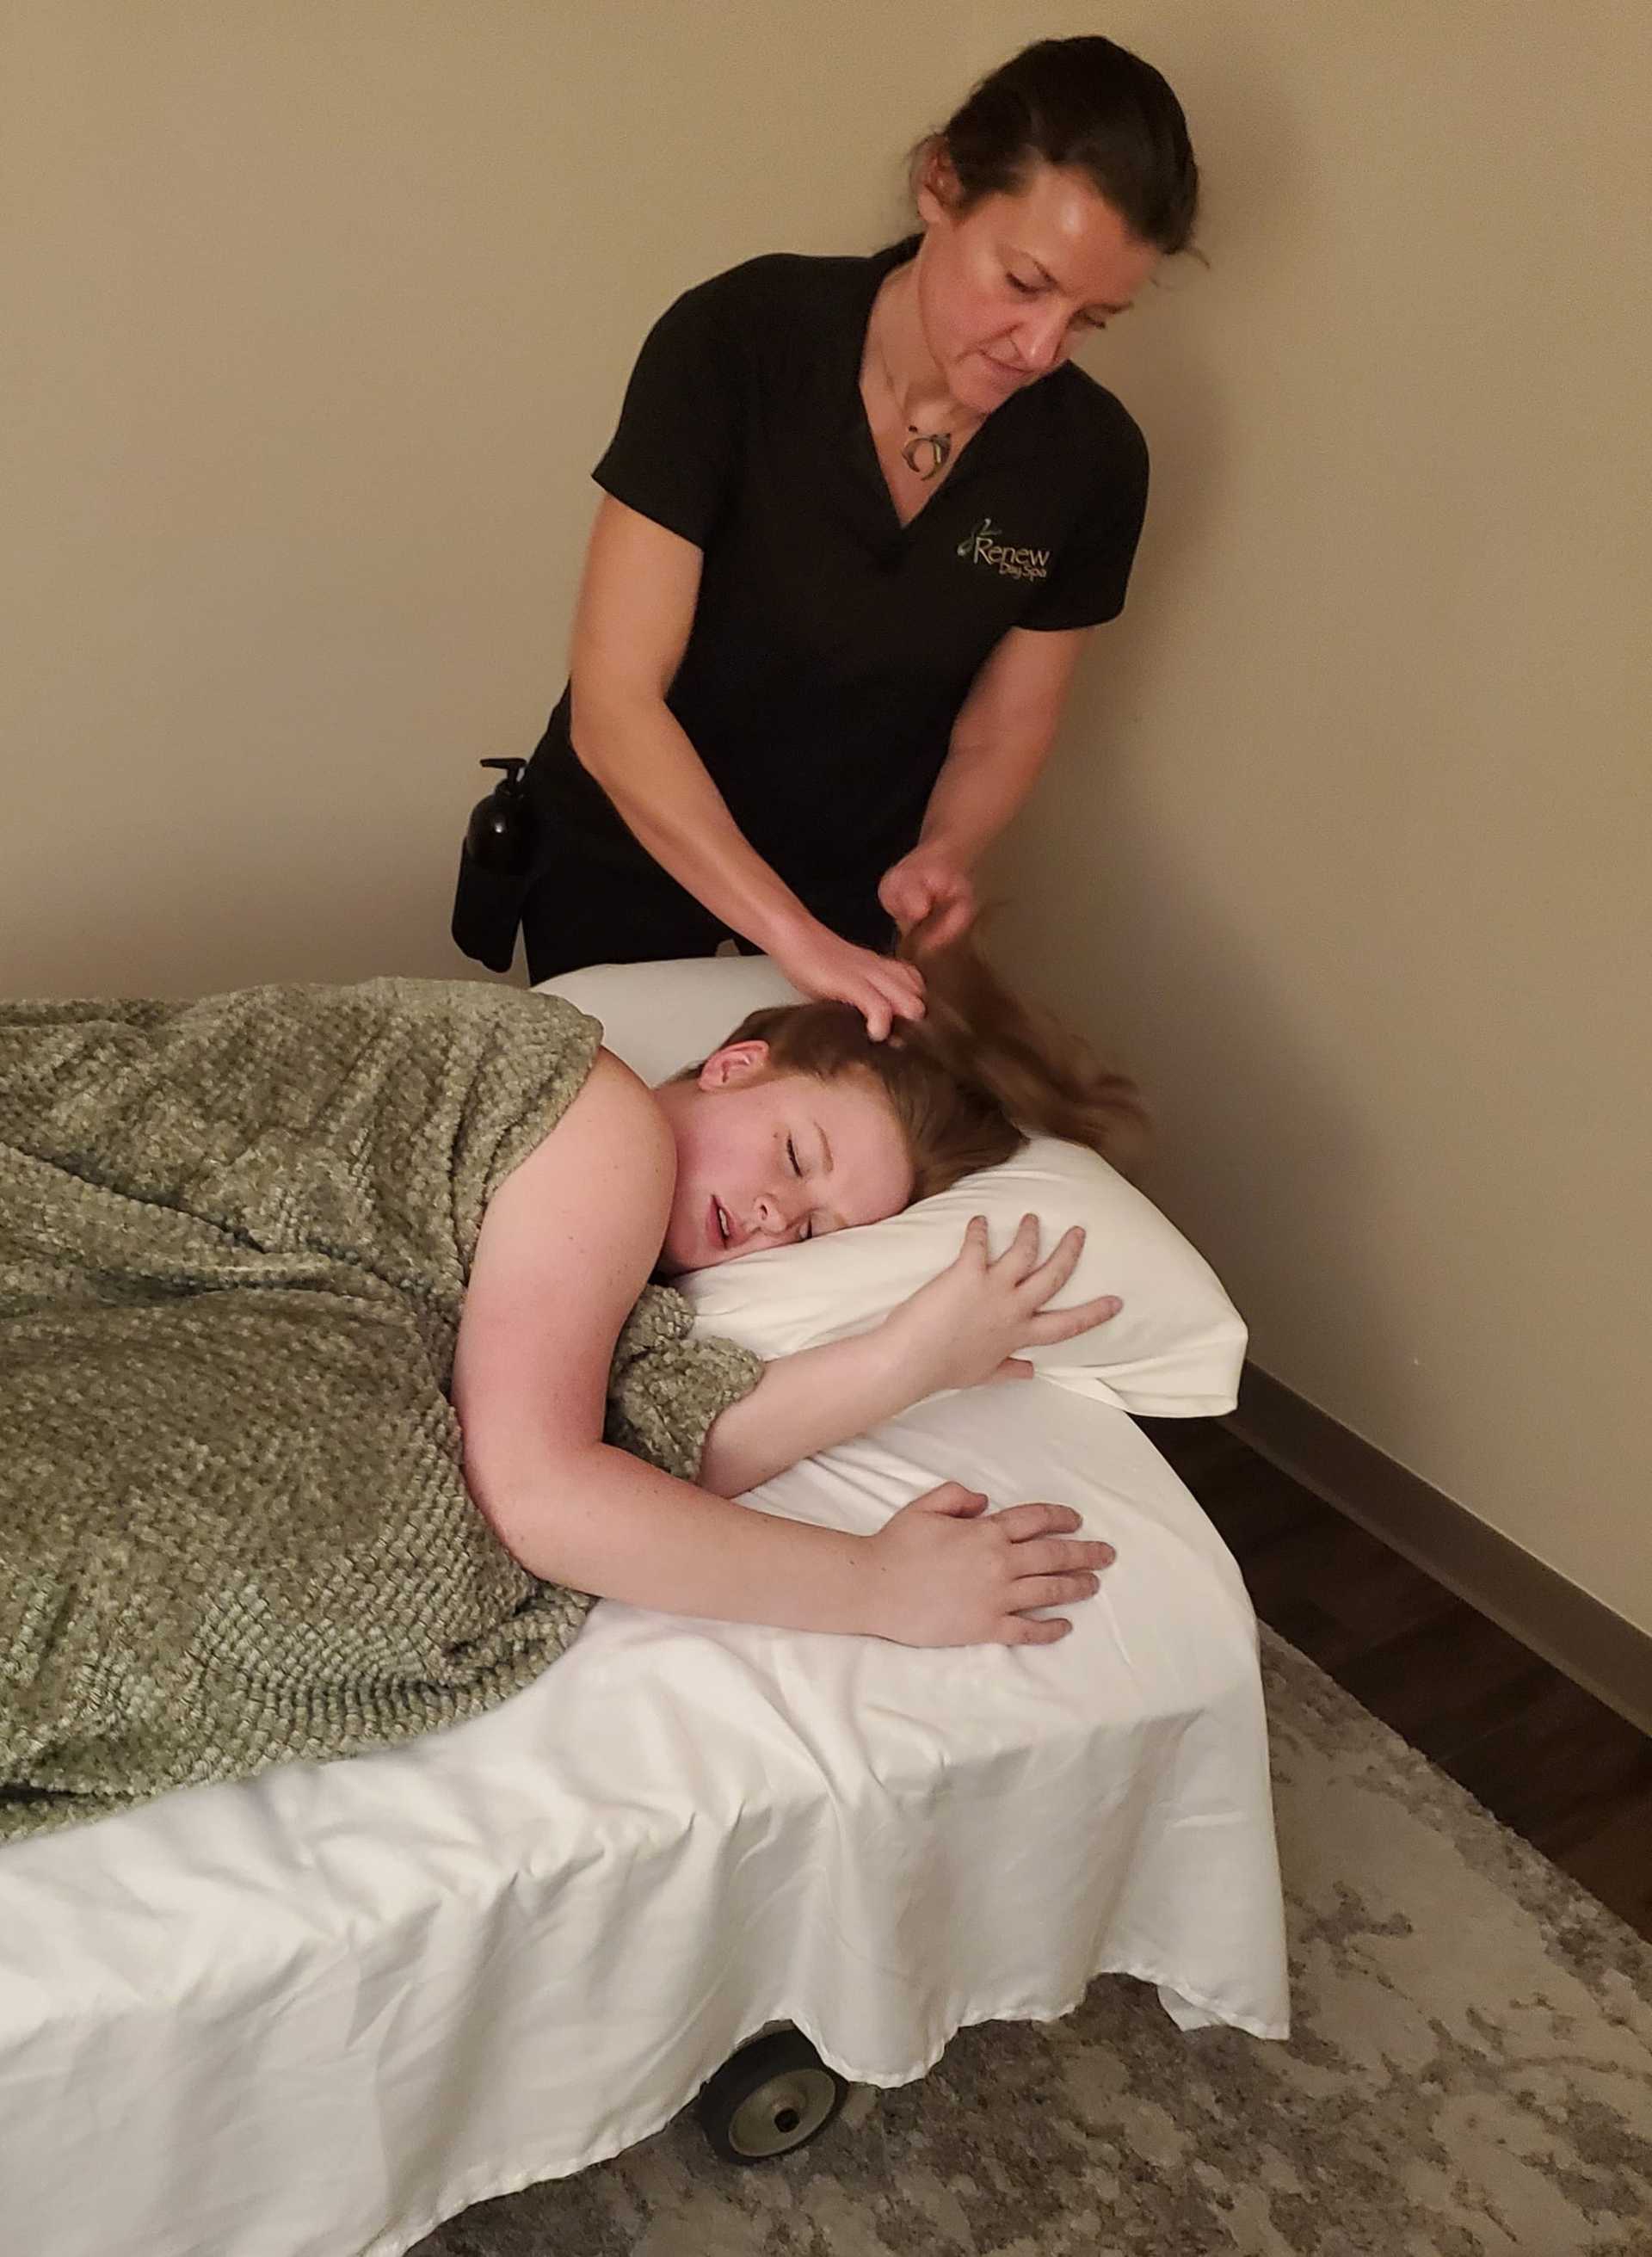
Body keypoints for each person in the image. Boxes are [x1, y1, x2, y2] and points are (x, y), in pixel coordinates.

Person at [503, 34, 1199, 1039]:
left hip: (849, 892)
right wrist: (787, 934)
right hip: (627, 855)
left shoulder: (1092, 463)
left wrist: (943, 850)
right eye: (1024, 283)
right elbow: (616, 705)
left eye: (1094, 320)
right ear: (941, 183)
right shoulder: (739, 341)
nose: (1042, 347)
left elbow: (1003, 727)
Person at [456, 931, 1143, 1648]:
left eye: (813, 1230)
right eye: (794, 1155)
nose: (777, 1215)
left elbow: (650, 1463)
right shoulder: (611, 1124)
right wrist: (881, 1585)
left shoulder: (641, 1302)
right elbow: (535, 1494)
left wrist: (912, 1359)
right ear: (734, 1066)